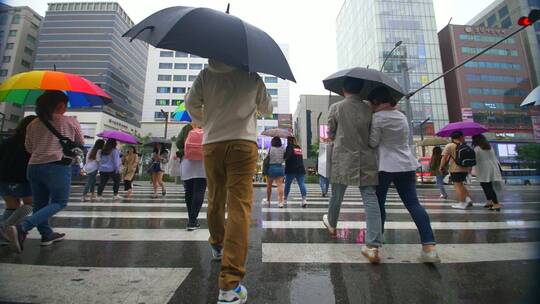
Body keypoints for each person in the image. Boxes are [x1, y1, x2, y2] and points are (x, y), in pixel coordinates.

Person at [186, 58, 272, 303]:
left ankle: (217, 245)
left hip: (212, 143)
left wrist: (207, 122)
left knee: (215, 197)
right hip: (243, 144)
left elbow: (191, 104)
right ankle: (229, 286)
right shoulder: (252, 75)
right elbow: (267, 108)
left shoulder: (205, 75)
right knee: (239, 206)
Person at [1, 90, 84, 253]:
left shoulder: (33, 123)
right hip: (57, 166)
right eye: (65, 105)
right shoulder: (70, 121)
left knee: (40, 204)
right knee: (60, 202)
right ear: (60, 105)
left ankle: (46, 234)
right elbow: (79, 142)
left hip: (34, 167)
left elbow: (29, 147)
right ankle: (22, 228)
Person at [368, 87, 440, 263]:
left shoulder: (377, 117)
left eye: (370, 103)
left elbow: (373, 142)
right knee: (413, 204)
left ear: (376, 102)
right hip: (406, 164)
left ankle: (375, 247)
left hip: (384, 165)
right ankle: (429, 248)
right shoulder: (401, 116)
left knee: (378, 206)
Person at [322, 77, 383, 264]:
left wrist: (336, 135)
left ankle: (332, 224)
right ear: (361, 89)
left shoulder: (336, 107)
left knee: (337, 195)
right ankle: (372, 246)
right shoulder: (369, 108)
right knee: (370, 199)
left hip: (343, 158)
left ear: (343, 89)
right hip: (366, 159)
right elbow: (374, 136)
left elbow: (330, 132)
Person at [0, 116, 36, 244]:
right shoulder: (30, 144)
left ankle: (4, 237)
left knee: (12, 207)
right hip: (22, 178)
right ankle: (4, 228)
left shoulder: (7, 141)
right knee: (31, 203)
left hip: (3, 178)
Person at [176, 123, 207, 230]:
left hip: (187, 161)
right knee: (199, 190)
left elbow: (179, 143)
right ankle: (193, 221)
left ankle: (191, 219)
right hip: (203, 162)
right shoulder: (208, 125)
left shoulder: (187, 127)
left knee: (189, 191)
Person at [440, 131, 474, 209]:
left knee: (458, 186)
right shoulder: (465, 145)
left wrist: (441, 166)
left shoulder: (450, 145)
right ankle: (468, 199)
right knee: (461, 185)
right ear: (461, 137)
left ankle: (462, 203)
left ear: (452, 138)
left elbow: (444, 157)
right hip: (465, 168)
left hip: (455, 169)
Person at [472, 134, 503, 211]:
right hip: (493, 166)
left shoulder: (477, 148)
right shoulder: (489, 147)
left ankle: (496, 204)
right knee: (486, 185)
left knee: (487, 186)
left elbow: (474, 159)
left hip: (483, 168)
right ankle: (489, 201)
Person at [284, 136, 307, 207]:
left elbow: (287, 157)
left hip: (291, 169)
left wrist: (284, 155)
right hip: (300, 168)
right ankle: (304, 200)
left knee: (287, 184)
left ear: (289, 140)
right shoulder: (298, 147)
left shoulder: (289, 147)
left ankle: (285, 199)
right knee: (301, 184)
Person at [264, 137, 286, 207]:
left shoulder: (270, 148)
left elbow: (266, 157)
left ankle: (268, 200)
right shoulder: (283, 149)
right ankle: (280, 202)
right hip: (280, 168)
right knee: (280, 185)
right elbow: (284, 157)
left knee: (269, 185)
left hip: (271, 168)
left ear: (272, 142)